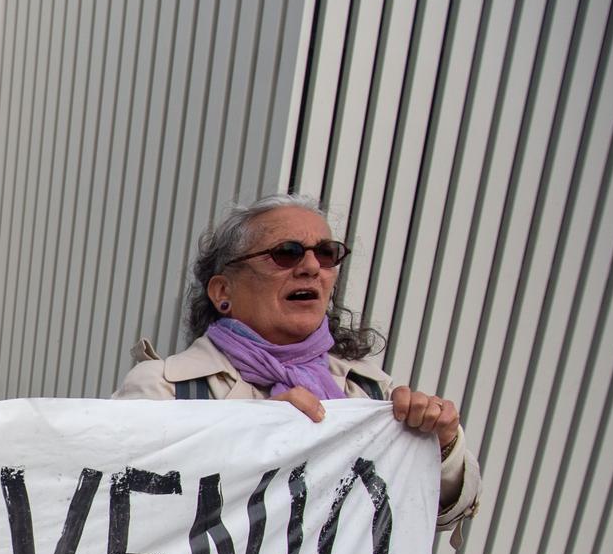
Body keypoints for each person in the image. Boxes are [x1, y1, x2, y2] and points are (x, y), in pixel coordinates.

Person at [115, 193, 480, 533]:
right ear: (223, 292)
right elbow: (114, 516)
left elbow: (437, 516)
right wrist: (247, 443)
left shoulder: (370, 391)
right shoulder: (164, 388)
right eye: (285, 253)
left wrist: (442, 447)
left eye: (325, 253)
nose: (310, 266)